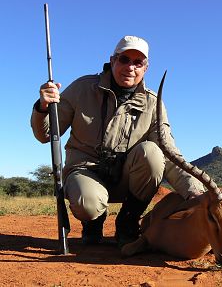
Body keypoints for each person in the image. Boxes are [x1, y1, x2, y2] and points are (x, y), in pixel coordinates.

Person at [31, 35, 205, 248]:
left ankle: (128, 222)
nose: (130, 67)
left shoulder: (153, 103)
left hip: (126, 177)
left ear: (145, 68)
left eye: (137, 62)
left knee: (152, 153)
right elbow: (46, 135)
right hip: (86, 172)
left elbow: (170, 153)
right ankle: (93, 224)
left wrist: (195, 191)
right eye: (124, 59)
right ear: (113, 61)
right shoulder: (82, 88)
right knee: (89, 203)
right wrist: (42, 108)